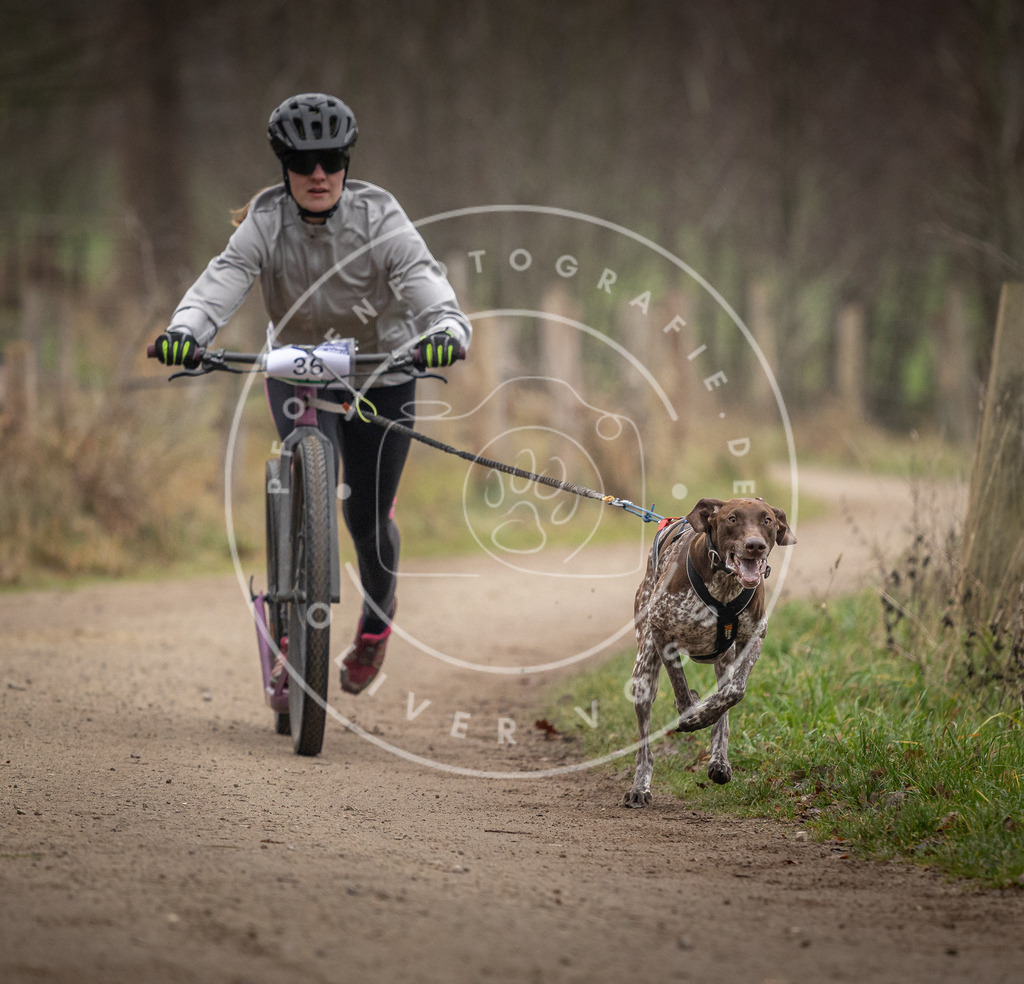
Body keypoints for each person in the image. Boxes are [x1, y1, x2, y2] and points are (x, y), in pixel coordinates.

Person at [153, 92, 471, 694]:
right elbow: (224, 279)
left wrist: (446, 331)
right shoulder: (265, 221)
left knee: (366, 519)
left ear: (346, 162)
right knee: (309, 486)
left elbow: (424, 280)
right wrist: (185, 332)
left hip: (384, 372)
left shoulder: (381, 216)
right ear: (284, 167)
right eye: (304, 163)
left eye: (330, 160)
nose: (318, 174)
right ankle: (294, 630)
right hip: (299, 370)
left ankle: (375, 625)